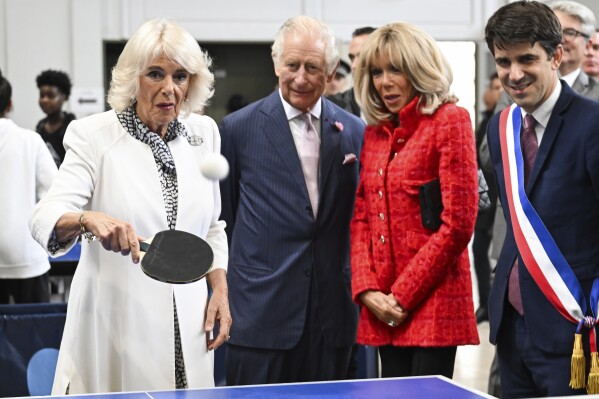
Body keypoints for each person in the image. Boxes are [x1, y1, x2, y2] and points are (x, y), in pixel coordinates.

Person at [29, 18, 231, 394]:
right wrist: (89, 219)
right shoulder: (93, 136)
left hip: (189, 324)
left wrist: (218, 287)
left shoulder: (205, 134)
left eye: (180, 76)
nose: (169, 89)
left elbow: (213, 227)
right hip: (117, 325)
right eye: (155, 74)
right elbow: (44, 217)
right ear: (133, 78)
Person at [219, 15, 365, 385]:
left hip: (333, 317)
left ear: (331, 69)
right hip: (260, 316)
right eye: (292, 65)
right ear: (276, 63)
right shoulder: (237, 128)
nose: (301, 77)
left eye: (313, 67)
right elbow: (227, 219)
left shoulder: (355, 131)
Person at [350, 21, 479, 379]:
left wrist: (402, 295)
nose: (384, 82)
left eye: (396, 69)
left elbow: (458, 224)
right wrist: (366, 290)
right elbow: (361, 217)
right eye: (376, 71)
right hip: (381, 304)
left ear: (419, 69)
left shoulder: (450, 121)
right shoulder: (375, 133)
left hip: (432, 301)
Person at [485, 1, 599, 396]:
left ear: (556, 55)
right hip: (511, 324)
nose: (514, 75)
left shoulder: (592, 123)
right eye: (503, 61)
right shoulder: (500, 127)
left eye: (527, 59)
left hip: (574, 326)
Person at [0, 70, 57, 304]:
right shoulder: (30, 140)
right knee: (36, 334)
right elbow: (54, 194)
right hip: (27, 255)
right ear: (10, 104)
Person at [472, 73, 503, 324]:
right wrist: (481, 202)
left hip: (503, 202)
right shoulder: (485, 122)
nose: (493, 93)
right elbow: (478, 165)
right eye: (493, 87)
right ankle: (485, 302)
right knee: (479, 249)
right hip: (486, 202)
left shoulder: (504, 118)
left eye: (497, 88)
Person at [328, 26, 376, 116]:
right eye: (352, 58)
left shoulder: (400, 105)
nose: (354, 66)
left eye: (362, 56)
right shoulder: (333, 107)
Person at [35, 69, 76, 167]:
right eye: (42, 95)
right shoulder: (40, 126)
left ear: (64, 97)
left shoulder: (71, 126)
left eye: (50, 96)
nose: (44, 100)